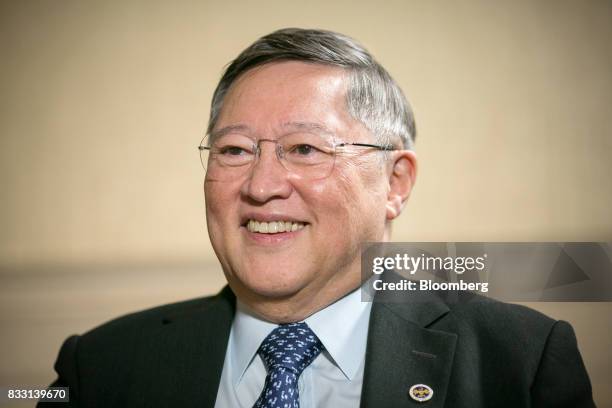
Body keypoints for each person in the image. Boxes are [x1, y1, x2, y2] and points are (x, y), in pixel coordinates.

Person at [40, 28, 595, 408]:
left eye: (305, 149)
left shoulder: (520, 363)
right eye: (234, 151)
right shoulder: (103, 367)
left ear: (395, 182)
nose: (260, 186)